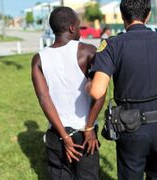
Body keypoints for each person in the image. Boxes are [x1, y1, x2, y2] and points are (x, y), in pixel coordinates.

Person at [86, 0, 157, 179]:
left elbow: (96, 91)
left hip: (130, 130)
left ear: (122, 15)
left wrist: (87, 84)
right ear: (148, 15)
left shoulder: (112, 45)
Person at [31, 7, 104, 180]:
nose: (79, 30)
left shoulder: (39, 59)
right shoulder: (88, 51)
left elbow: (44, 99)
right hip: (85, 136)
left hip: (56, 134)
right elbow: (99, 93)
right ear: (72, 28)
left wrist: (64, 136)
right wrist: (89, 127)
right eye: (79, 26)